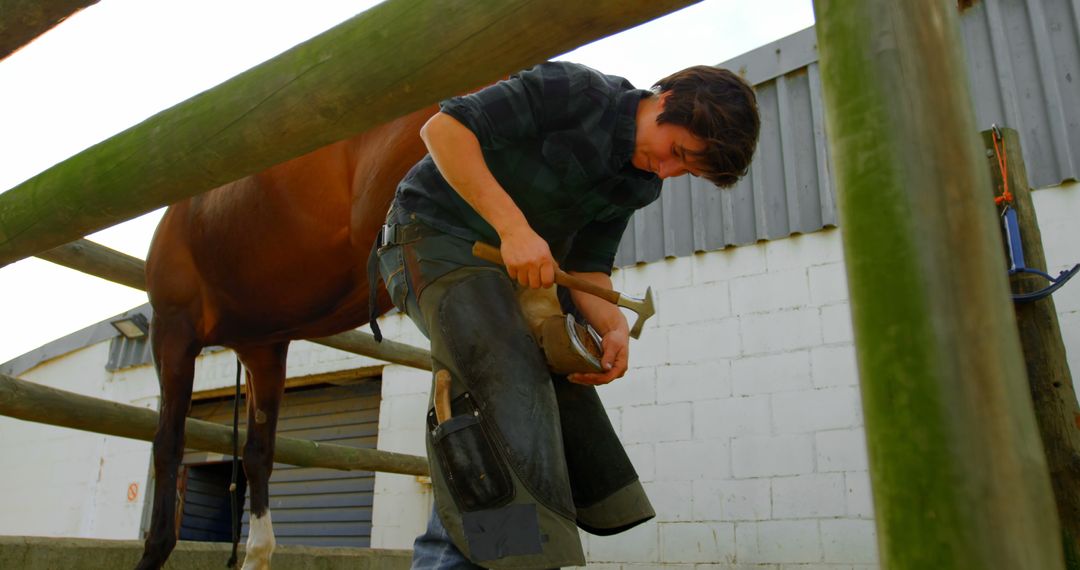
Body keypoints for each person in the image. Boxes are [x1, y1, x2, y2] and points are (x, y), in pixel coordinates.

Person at [372, 61, 759, 569]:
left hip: (509, 276)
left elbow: (589, 269)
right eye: (677, 154)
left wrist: (611, 324)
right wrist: (513, 228)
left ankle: (519, 556)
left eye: (688, 171)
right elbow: (442, 130)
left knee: (558, 397)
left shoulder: (639, 183)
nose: (667, 172)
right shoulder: (574, 91)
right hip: (430, 237)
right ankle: (477, 557)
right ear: (668, 101)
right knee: (501, 385)